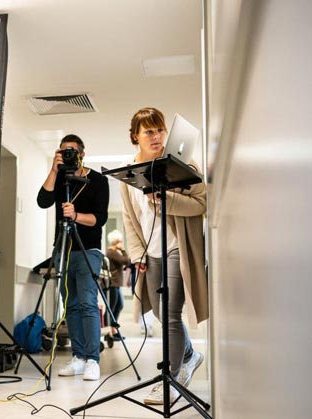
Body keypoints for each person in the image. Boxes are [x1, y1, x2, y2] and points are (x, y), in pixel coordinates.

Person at [120, 107, 208, 405]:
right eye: (149, 131)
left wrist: (166, 198)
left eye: (159, 130)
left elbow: (200, 204)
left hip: (176, 246)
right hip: (151, 251)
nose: (156, 136)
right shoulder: (128, 172)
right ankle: (191, 356)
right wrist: (136, 253)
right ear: (136, 137)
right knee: (158, 312)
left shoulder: (182, 164)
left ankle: (168, 381)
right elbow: (130, 219)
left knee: (169, 314)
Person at [37, 134, 109, 381]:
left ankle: (92, 359)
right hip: (64, 249)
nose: (68, 155)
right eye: (63, 151)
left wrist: (76, 215)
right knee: (71, 305)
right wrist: (54, 169)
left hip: (89, 249)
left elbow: (100, 219)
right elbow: (42, 201)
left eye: (72, 151)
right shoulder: (60, 179)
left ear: (82, 153)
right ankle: (78, 357)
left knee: (88, 303)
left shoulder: (97, 180)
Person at [104, 229, 130, 340]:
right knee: (112, 307)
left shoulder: (114, 252)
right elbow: (126, 261)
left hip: (116, 283)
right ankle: (109, 332)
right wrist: (123, 250)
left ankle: (113, 330)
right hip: (112, 283)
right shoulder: (111, 252)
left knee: (118, 305)